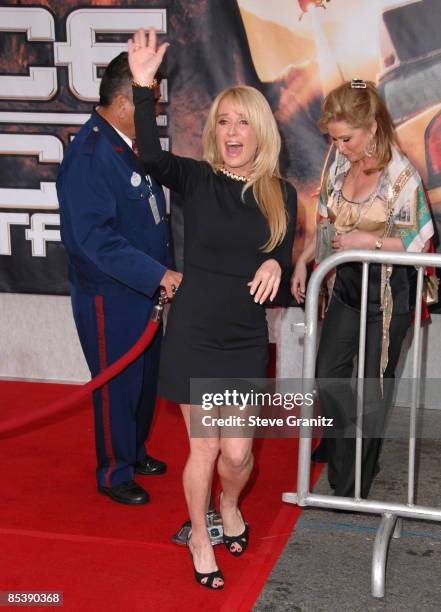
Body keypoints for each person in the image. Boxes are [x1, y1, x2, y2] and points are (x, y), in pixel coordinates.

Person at [127, 28, 297, 589]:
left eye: (242, 121)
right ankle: (202, 533)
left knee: (239, 453)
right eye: (223, 121)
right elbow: (150, 155)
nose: (231, 132)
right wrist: (144, 85)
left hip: (245, 335)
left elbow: (278, 243)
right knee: (205, 446)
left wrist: (274, 262)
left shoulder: (279, 191)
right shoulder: (196, 179)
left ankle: (229, 503)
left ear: (260, 131)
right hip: (196, 330)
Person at [292, 79, 434, 499]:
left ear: (372, 127)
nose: (339, 146)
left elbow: (419, 242)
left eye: (346, 138)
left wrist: (365, 242)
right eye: (333, 138)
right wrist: (304, 262)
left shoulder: (400, 175)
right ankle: (340, 444)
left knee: (373, 390)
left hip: (389, 299)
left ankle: (352, 483)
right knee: (327, 375)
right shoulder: (337, 164)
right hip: (347, 289)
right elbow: (325, 222)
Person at [56, 52, 182, 505]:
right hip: (110, 297)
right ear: (127, 103)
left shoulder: (122, 147)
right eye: (151, 104)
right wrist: (158, 273)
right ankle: (113, 472)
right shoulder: (90, 155)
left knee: (144, 382)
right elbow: (95, 241)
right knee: (117, 384)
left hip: (144, 292)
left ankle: (134, 451)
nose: (156, 113)